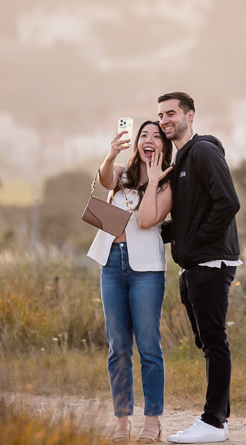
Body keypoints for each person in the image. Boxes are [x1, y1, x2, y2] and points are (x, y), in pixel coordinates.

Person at [157, 92, 241, 444]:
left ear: (190, 115)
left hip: (210, 261)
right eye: (161, 115)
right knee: (206, 342)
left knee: (214, 341)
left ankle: (212, 422)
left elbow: (228, 203)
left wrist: (197, 242)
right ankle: (220, 418)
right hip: (194, 263)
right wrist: (142, 232)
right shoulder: (180, 162)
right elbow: (188, 218)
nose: (165, 120)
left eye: (171, 113)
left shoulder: (203, 151)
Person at [87, 120, 174, 443]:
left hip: (146, 270)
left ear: (164, 146)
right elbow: (105, 178)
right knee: (118, 347)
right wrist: (110, 156)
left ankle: (152, 421)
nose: (149, 140)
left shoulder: (167, 182)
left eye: (157, 136)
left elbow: (148, 219)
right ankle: (122, 421)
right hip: (111, 263)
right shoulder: (122, 172)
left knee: (149, 346)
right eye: (144, 135)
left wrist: (152, 182)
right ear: (137, 142)